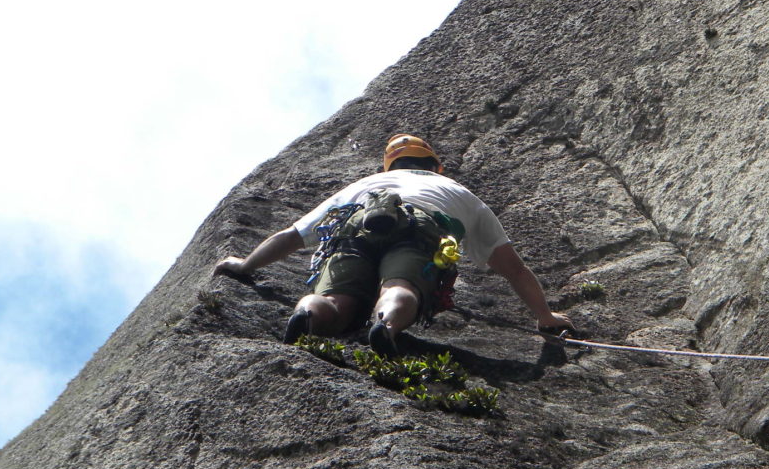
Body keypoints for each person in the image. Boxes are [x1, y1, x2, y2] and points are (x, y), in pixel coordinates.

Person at [214, 134, 572, 355]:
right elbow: (513, 268)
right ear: (437, 167)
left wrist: (245, 265)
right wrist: (545, 316)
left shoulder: (365, 184)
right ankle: (385, 326)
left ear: (389, 166)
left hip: (355, 226)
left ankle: (308, 313)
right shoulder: (460, 193)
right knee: (400, 287)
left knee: (336, 302)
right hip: (419, 230)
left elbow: (291, 235)